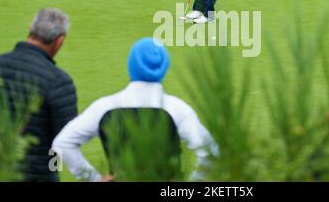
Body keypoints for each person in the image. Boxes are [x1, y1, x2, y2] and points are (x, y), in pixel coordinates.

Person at [52, 37, 217, 182]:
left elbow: (63, 142)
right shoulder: (178, 109)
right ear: (164, 68)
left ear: (131, 64)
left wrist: (93, 178)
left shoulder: (105, 106)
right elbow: (211, 153)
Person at [0, 8, 78, 181]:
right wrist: (52, 170)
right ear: (59, 41)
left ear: (30, 29)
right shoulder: (59, 82)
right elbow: (65, 142)